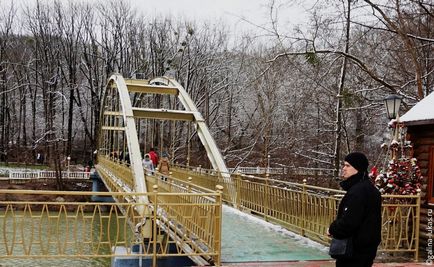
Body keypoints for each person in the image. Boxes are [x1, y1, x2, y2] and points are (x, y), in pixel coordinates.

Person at [328, 152, 382, 267]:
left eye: (348, 166)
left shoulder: (358, 192)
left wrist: (332, 229)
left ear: (357, 168)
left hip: (353, 250)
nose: (344, 169)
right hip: (365, 249)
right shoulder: (368, 188)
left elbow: (348, 223)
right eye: (344, 165)